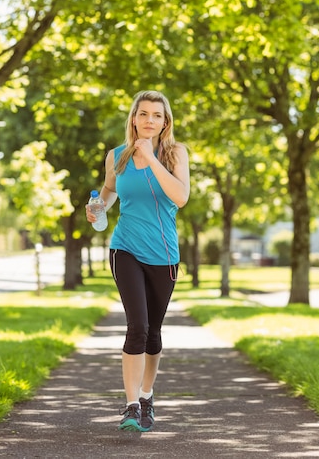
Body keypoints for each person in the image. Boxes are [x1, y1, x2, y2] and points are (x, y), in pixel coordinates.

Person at [86, 90, 190, 433]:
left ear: (165, 122)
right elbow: (110, 190)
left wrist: (152, 158)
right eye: (143, 114)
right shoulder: (116, 156)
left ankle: (147, 396)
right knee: (138, 327)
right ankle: (131, 406)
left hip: (164, 254)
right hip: (125, 248)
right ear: (133, 118)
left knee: (154, 333)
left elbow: (181, 196)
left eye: (156, 115)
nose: (149, 120)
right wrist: (98, 207)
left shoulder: (176, 154)